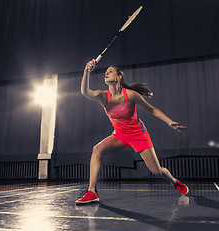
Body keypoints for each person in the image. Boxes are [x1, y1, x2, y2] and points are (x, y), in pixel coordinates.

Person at [75, 59, 188, 204]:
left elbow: (152, 109)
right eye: (105, 72)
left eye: (110, 71)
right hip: (120, 134)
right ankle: (92, 192)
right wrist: (86, 71)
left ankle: (174, 181)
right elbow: (85, 92)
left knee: (157, 171)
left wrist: (169, 122)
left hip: (138, 134)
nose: (106, 73)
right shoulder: (103, 96)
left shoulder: (131, 95)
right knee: (97, 149)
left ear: (119, 77)